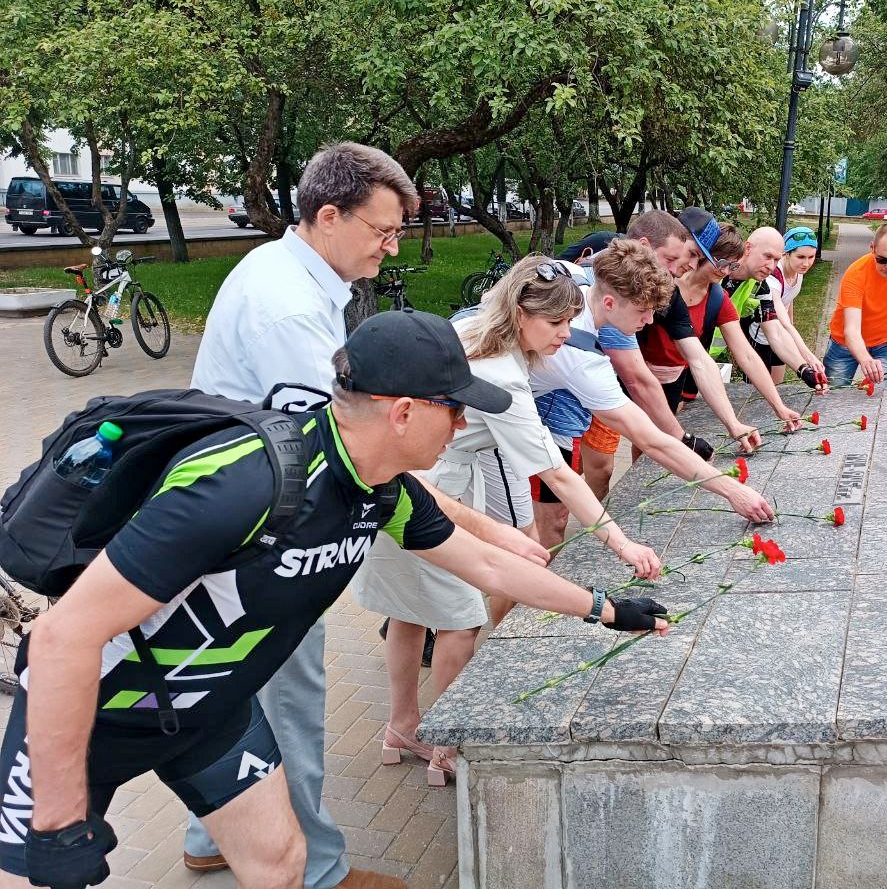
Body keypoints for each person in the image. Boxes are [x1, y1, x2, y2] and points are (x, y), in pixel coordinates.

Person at [0, 310, 668, 889]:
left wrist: (605, 609)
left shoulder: (381, 488)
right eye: (455, 409)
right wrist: (56, 822)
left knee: (281, 863)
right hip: (92, 714)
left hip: (210, 711)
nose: (462, 423)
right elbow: (62, 640)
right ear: (403, 413)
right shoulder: (244, 485)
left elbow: (490, 564)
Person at [186, 141, 423, 889]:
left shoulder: (295, 276)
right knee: (290, 697)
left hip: (236, 519)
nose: (390, 249)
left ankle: (208, 837)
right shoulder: (286, 306)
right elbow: (343, 448)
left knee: (234, 689)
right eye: (383, 232)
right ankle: (318, 870)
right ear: (328, 216)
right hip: (263, 538)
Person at [351, 257, 662, 785]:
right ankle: (444, 745)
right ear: (520, 315)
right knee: (459, 620)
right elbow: (560, 479)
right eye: (557, 323)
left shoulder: (478, 331)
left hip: (414, 473)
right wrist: (622, 545)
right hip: (433, 480)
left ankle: (403, 725)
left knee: (407, 611)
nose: (568, 334)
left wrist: (508, 536)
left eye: (570, 322)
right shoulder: (502, 381)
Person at [526, 238, 774, 548]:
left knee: (521, 536)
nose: (649, 320)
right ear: (609, 304)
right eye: (643, 311)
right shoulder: (581, 358)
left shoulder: (572, 276)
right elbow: (651, 440)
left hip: (499, 393)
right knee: (522, 538)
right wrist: (733, 491)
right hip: (482, 407)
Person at [576, 210, 765, 501]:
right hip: (582, 384)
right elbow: (639, 379)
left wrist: (733, 423)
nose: (685, 265)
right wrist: (685, 442)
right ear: (644, 245)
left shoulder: (672, 292)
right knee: (579, 474)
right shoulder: (612, 293)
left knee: (571, 477)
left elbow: (699, 359)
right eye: (680, 256)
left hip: (595, 378)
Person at [643, 223, 802, 433]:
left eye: (733, 266)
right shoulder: (665, 283)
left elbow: (745, 354)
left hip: (677, 377)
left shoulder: (717, 297)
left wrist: (779, 407)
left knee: (655, 441)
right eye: (723, 263)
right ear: (704, 253)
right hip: (638, 372)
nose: (726, 271)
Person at [723, 227, 828, 393]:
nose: (771, 266)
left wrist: (805, 371)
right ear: (748, 248)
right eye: (767, 256)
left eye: (775, 259)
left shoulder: (760, 286)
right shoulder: (718, 275)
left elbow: (776, 331)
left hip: (705, 354)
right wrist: (808, 357)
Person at [823, 223, 887, 389]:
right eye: (882, 259)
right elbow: (851, 330)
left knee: (880, 400)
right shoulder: (855, 274)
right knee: (833, 396)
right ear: (872, 248)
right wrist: (865, 359)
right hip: (845, 344)